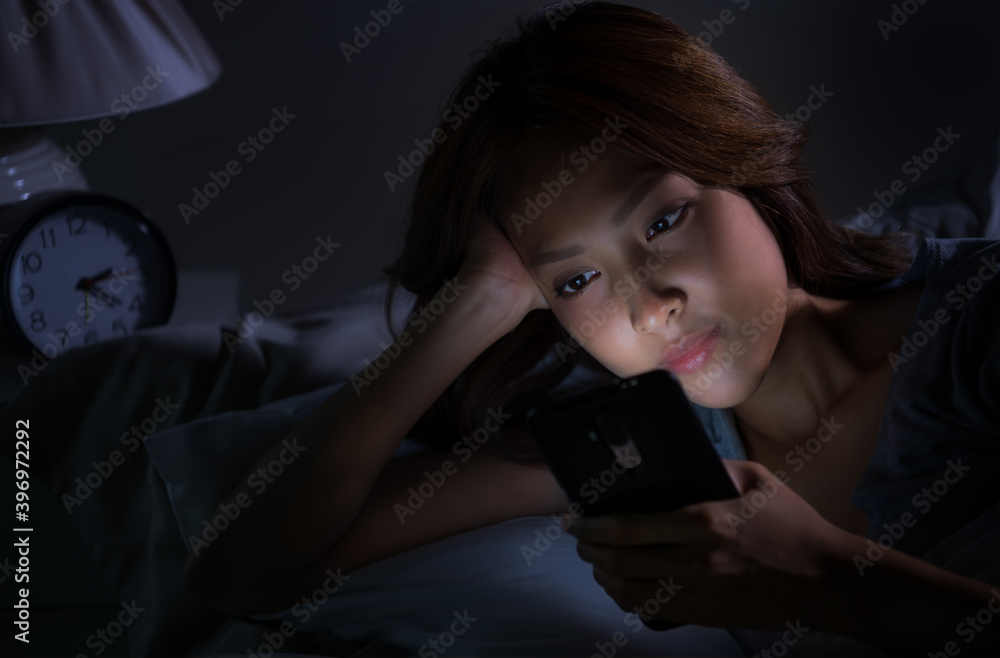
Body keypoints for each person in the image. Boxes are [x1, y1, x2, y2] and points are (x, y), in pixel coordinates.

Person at [184, 2, 999, 655]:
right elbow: (246, 574)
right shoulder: (644, 447)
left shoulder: (976, 324)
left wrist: (825, 582)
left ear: (745, 169)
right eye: (576, 279)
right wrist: (473, 305)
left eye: (663, 220)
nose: (649, 307)